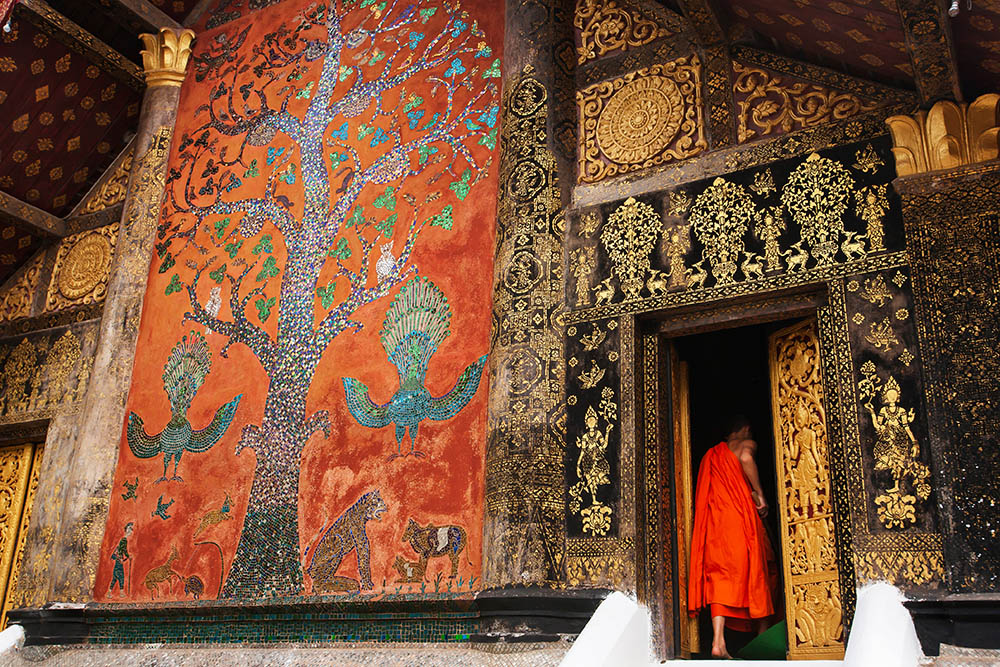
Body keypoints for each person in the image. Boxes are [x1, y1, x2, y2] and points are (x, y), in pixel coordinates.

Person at [688, 416, 778, 659]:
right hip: (741, 519)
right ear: (746, 428)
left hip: (717, 522)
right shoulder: (745, 444)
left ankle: (718, 642)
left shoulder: (712, 454)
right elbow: (747, 458)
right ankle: (762, 636)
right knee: (759, 572)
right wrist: (760, 494)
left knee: (719, 576)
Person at [109, 522, 133, 597]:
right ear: (127, 530)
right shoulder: (124, 540)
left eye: (131, 529)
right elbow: (124, 550)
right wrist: (128, 556)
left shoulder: (123, 540)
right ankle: (121, 593)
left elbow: (122, 550)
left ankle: (109, 593)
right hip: (119, 560)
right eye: (130, 529)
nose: (131, 531)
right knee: (121, 576)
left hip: (118, 560)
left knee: (115, 577)